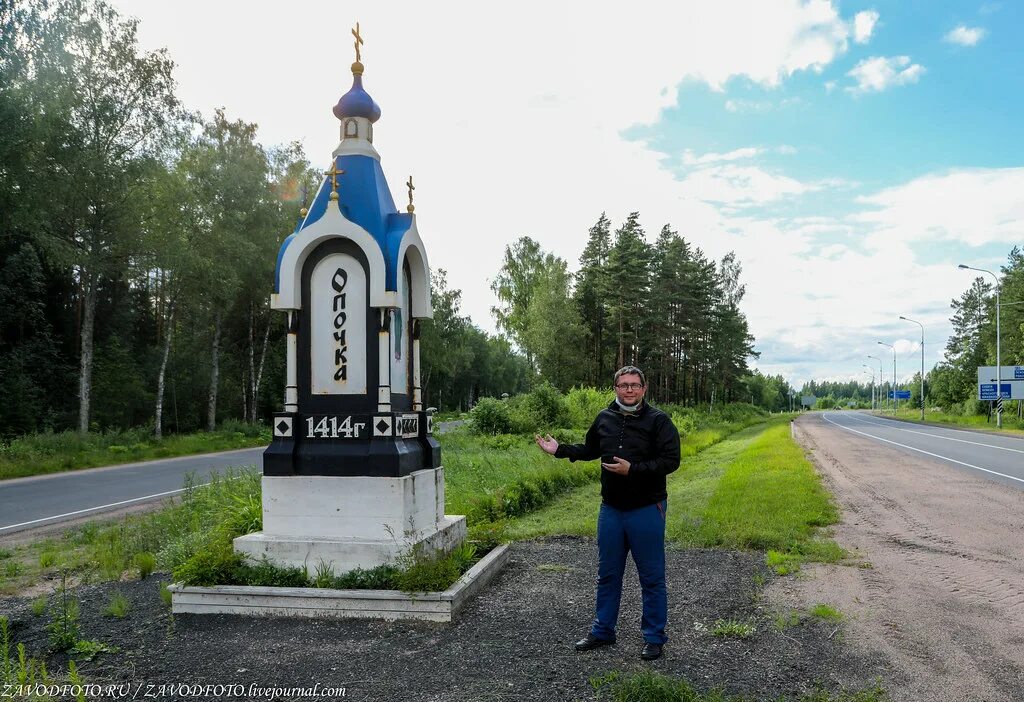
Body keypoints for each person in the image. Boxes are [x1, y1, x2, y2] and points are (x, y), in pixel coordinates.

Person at [535, 365, 680, 661]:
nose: (629, 390)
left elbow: (671, 461)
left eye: (634, 385)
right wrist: (560, 450)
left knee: (651, 577)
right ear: (615, 388)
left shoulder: (659, 421)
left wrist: (634, 470)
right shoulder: (604, 418)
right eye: (623, 385)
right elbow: (590, 449)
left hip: (646, 510)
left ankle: (654, 637)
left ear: (644, 388)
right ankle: (603, 631)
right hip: (611, 510)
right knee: (608, 574)